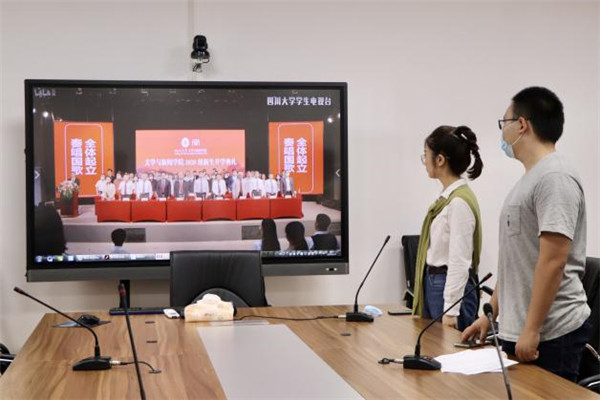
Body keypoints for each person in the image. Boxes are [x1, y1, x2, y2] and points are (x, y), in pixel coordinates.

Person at [461, 87, 591, 382]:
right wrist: (490, 315)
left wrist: (532, 329)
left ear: (522, 124)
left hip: (551, 334)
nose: (502, 131)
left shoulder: (555, 177)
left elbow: (553, 261)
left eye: (504, 122)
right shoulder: (529, 179)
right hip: (520, 330)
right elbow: (515, 260)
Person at [411, 125, 483, 332]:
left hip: (446, 288)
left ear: (440, 160)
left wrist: (451, 310)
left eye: (426, 155)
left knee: (446, 349)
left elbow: (460, 260)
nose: (425, 162)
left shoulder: (458, 202)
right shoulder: (448, 199)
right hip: (436, 284)